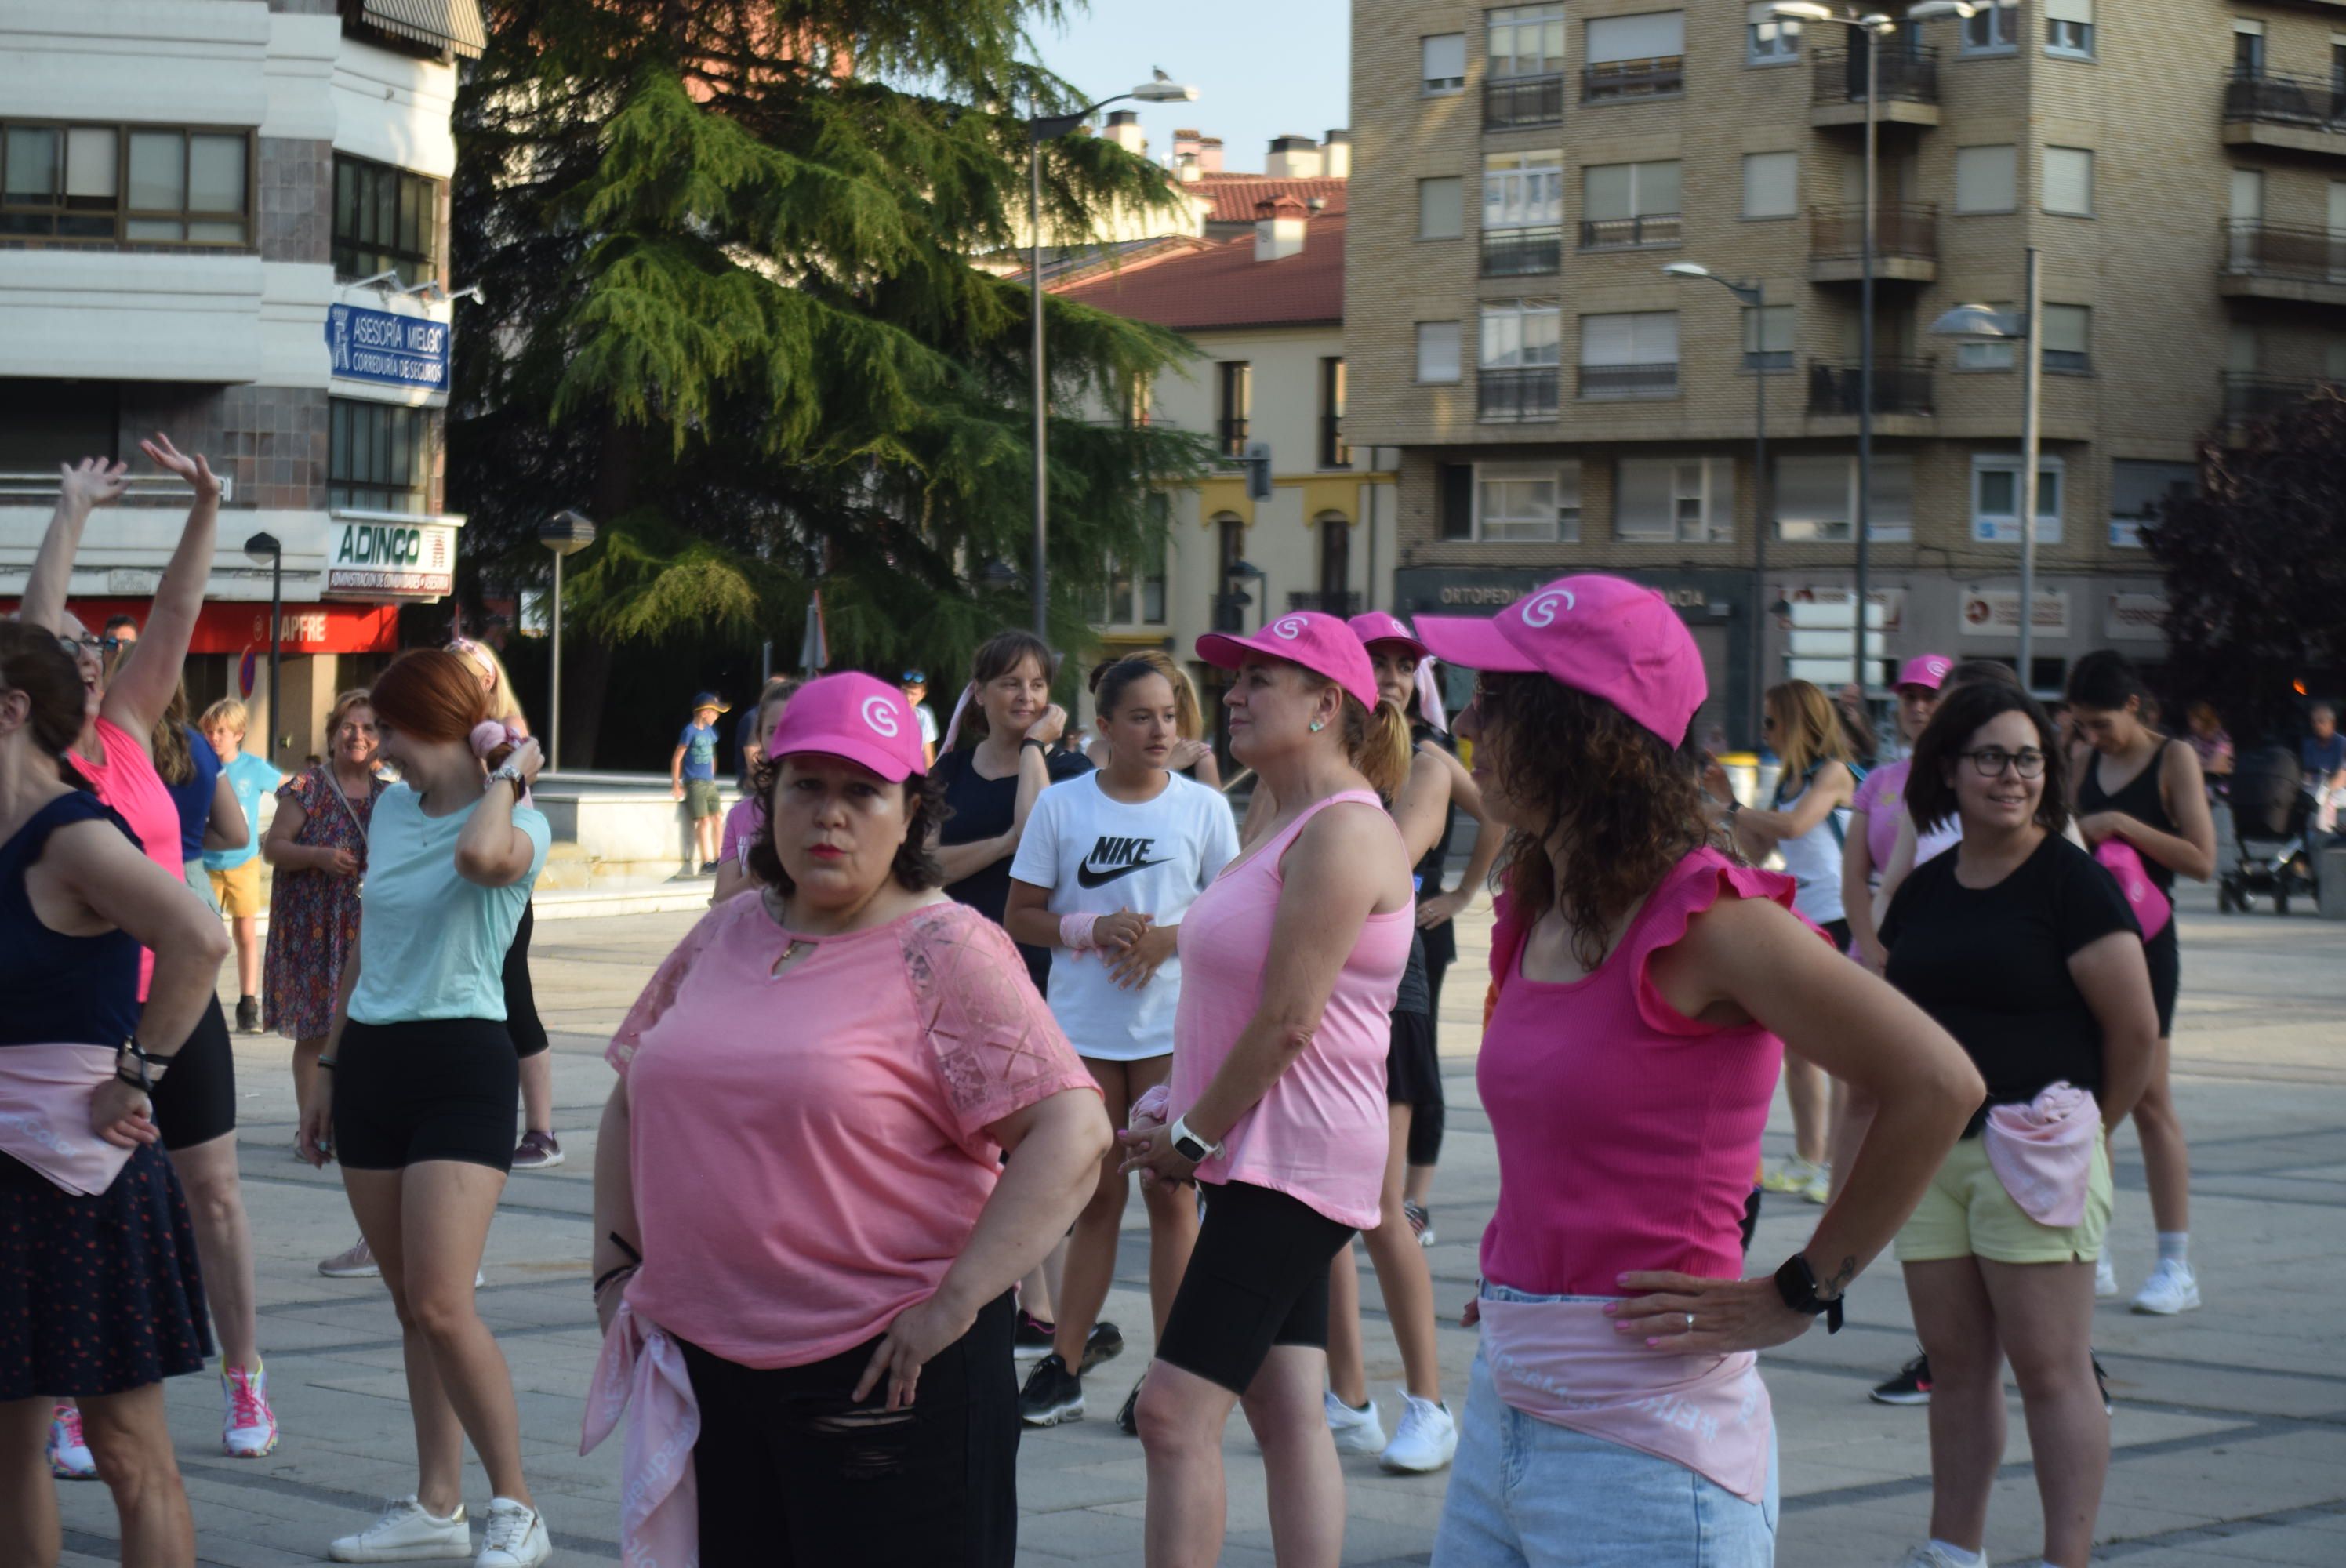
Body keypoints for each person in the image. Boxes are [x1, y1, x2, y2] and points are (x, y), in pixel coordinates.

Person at [1405, 575, 1980, 1568]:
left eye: (1495, 698)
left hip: (1649, 1457)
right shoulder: (1538, 904)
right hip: (1506, 1411)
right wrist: (1522, 1283)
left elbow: (1938, 1081)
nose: (1464, 718)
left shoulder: (1714, 919)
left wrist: (1799, 1289)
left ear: (1582, 730)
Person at [584, 672, 1109, 1566]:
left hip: (883, 1381)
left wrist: (955, 1300)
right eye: (806, 786)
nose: (830, 814)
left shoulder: (943, 949)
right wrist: (614, 1272)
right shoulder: (727, 929)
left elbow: (1073, 1133)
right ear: (770, 798)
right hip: (712, 1373)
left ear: (910, 812)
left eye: (862, 791)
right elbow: (636, 1086)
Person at [1119, 612, 1417, 1568]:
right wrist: (1176, 1100)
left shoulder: (1344, 833)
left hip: (1292, 1158)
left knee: (1170, 1414)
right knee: (1286, 1408)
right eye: (1235, 679)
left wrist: (1193, 1139)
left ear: (1328, 705)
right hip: (1255, 1146)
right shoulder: (1276, 817)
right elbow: (1233, 997)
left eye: (1260, 680)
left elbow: (1289, 1019)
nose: (1234, 696)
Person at [19, 443, 281, 1464]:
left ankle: (246, 1380)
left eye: (99, 653)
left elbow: (176, 613)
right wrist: (70, 510)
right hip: (83, 1015)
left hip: (179, 1007)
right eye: (73, 652)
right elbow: (35, 623)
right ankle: (75, 1398)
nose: (89, 660)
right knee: (80, 1202)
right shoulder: (40, 764)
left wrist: (209, 503)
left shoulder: (132, 728)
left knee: (211, 1191)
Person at [1880, 679, 2160, 1568]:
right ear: (1951, 770)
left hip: (2037, 1149)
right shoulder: (1924, 888)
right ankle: (1951, 1547)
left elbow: (2136, 1029)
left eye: (2030, 757)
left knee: (2050, 1368)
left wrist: (2091, 1127)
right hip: (1934, 1155)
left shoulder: (2069, 882)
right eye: (1992, 757)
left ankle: (2063, 1556)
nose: (2012, 775)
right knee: (1954, 1368)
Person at [298, 649, 556, 1568]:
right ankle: (436, 1503)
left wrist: (513, 770)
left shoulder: (524, 822)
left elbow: (483, 857)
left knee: (447, 1303)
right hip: (371, 1058)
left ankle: (516, 1507)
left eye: (392, 730)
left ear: (434, 724)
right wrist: (327, 1064)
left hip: (462, 1063)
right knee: (411, 1303)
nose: (379, 749)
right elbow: (370, 942)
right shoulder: (393, 811)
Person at [0, 621, 227, 1563]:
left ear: (10, 713)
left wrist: (136, 1072)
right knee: (9, 1445)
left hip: (77, 1176)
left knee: (128, 1447)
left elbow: (201, 938)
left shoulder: (74, 833)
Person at [1002, 656, 1239, 1435]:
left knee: (1170, 1198)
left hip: (1176, 1030)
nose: (1161, 729)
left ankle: (1164, 1379)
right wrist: (1090, 928)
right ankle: (1064, 1366)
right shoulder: (1062, 807)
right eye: (1141, 716)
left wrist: (1168, 937)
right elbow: (1021, 914)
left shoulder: (1204, 808)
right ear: (1102, 726)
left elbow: (1232, 914)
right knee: (1094, 1196)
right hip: (1082, 1032)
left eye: (1170, 713)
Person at [1315, 611, 1502, 1474]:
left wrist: (1464, 892)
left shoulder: (1425, 759)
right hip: (1316, 981)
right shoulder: (1322, 757)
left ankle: (1427, 1402)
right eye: (1374, 659)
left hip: (1389, 990)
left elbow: (1472, 820)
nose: (1387, 674)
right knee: (1324, 1213)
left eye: (1400, 662)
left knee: (1381, 1208)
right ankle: (1347, 1397)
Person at [2068, 651, 2215, 1316]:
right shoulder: (2083, 757)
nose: (2091, 737)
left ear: (2132, 705)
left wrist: (2124, 824)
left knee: (2149, 1101)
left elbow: (2203, 860)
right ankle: (2091, 1247)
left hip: (2150, 946)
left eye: (2100, 724)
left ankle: (2174, 1264)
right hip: (2090, 945)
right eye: (2082, 727)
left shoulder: (2173, 757)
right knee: (2085, 1102)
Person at [264, 689, 384, 1280]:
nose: (357, 737)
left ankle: (347, 1115)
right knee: (314, 1027)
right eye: (348, 728)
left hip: (364, 923)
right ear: (333, 732)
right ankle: (308, 1122)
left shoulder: (394, 793)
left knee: (362, 1029)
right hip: (314, 924)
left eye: (367, 729)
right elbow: (273, 848)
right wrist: (315, 855)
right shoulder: (307, 787)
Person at [1734, 679, 1861, 1204]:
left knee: (1839, 1049)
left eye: (1771, 722)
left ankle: (1837, 1163)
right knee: (1798, 1050)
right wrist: (1722, 817)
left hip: (1842, 916)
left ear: (1797, 722)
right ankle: (1810, 1156)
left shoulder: (1833, 773)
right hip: (1804, 917)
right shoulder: (1788, 779)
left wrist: (1733, 812)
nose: (1765, 733)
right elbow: (1755, 853)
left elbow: (1793, 826)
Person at [448, 637, 561, 1173]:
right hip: (469, 884)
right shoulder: (457, 733)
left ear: (488, 681)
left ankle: (541, 1129)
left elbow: (516, 805)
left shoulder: (498, 734)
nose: (456, 681)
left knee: (514, 998)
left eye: (467, 673)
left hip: (504, 887)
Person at [931, 630, 1070, 993]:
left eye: (1038, 685)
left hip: (1041, 971)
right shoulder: (948, 771)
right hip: (953, 960)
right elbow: (924, 867)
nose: (1027, 697)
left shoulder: (1072, 772)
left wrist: (1034, 744)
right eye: (1011, 684)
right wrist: (1004, 844)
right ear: (979, 692)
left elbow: (1037, 836)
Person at [1847, 655, 1955, 975]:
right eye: (1910, 697)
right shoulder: (1879, 780)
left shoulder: (1968, 779)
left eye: (1930, 697)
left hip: (1943, 951)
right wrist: (1870, 947)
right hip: (1876, 948)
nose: (1918, 707)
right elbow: (1853, 877)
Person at [199, 699, 283, 1034]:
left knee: (246, 932)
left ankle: (248, 1003)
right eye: (209, 731)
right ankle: (201, 1000)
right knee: (205, 934)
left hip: (243, 863)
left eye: (221, 731)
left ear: (239, 734)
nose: (214, 737)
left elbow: (290, 789)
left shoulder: (253, 768)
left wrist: (278, 831)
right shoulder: (199, 764)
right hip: (205, 863)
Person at [149, 679, 242, 909]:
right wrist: (188, 836)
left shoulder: (115, 743)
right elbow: (237, 834)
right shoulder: (200, 746)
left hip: (135, 888)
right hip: (193, 887)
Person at [712, 678, 797, 906]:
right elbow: (720, 903)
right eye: (773, 731)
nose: (782, 740)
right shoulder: (739, 816)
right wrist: (760, 874)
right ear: (760, 737)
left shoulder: (822, 812)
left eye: (792, 728)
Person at [1084, 651, 1222, 789]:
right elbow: (1101, 805)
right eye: (1142, 718)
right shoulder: (1102, 750)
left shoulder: (1201, 761)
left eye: (1168, 716)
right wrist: (1168, 767)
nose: (1159, 732)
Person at [670, 693, 728, 875]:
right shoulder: (689, 731)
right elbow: (678, 757)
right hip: (695, 782)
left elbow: (712, 755)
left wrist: (712, 776)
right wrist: (676, 784)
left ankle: (720, 858)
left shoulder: (710, 732)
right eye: (714, 712)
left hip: (708, 782)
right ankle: (706, 861)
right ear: (704, 713)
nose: (717, 716)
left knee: (717, 818)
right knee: (703, 821)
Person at [2304, 702, 2345, 833]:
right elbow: (2307, 774)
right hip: (2315, 788)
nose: (2317, 725)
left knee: (2327, 799)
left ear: (2332, 723)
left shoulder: (2343, 744)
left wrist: (2326, 790)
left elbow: (2343, 776)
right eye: (2314, 722)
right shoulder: (2308, 746)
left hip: (2339, 789)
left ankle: (2326, 833)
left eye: (2321, 721)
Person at [2184, 702, 2234, 783]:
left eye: (2195, 719)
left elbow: (2216, 767)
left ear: (2206, 718)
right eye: (2190, 720)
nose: (2192, 724)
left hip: (2219, 782)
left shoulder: (2223, 738)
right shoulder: (2192, 739)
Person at [902, 668, 940, 767]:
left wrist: (929, 781)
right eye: (905, 691)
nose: (908, 697)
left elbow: (928, 757)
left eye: (913, 694)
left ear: (922, 696)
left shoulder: (924, 716)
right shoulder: (889, 711)